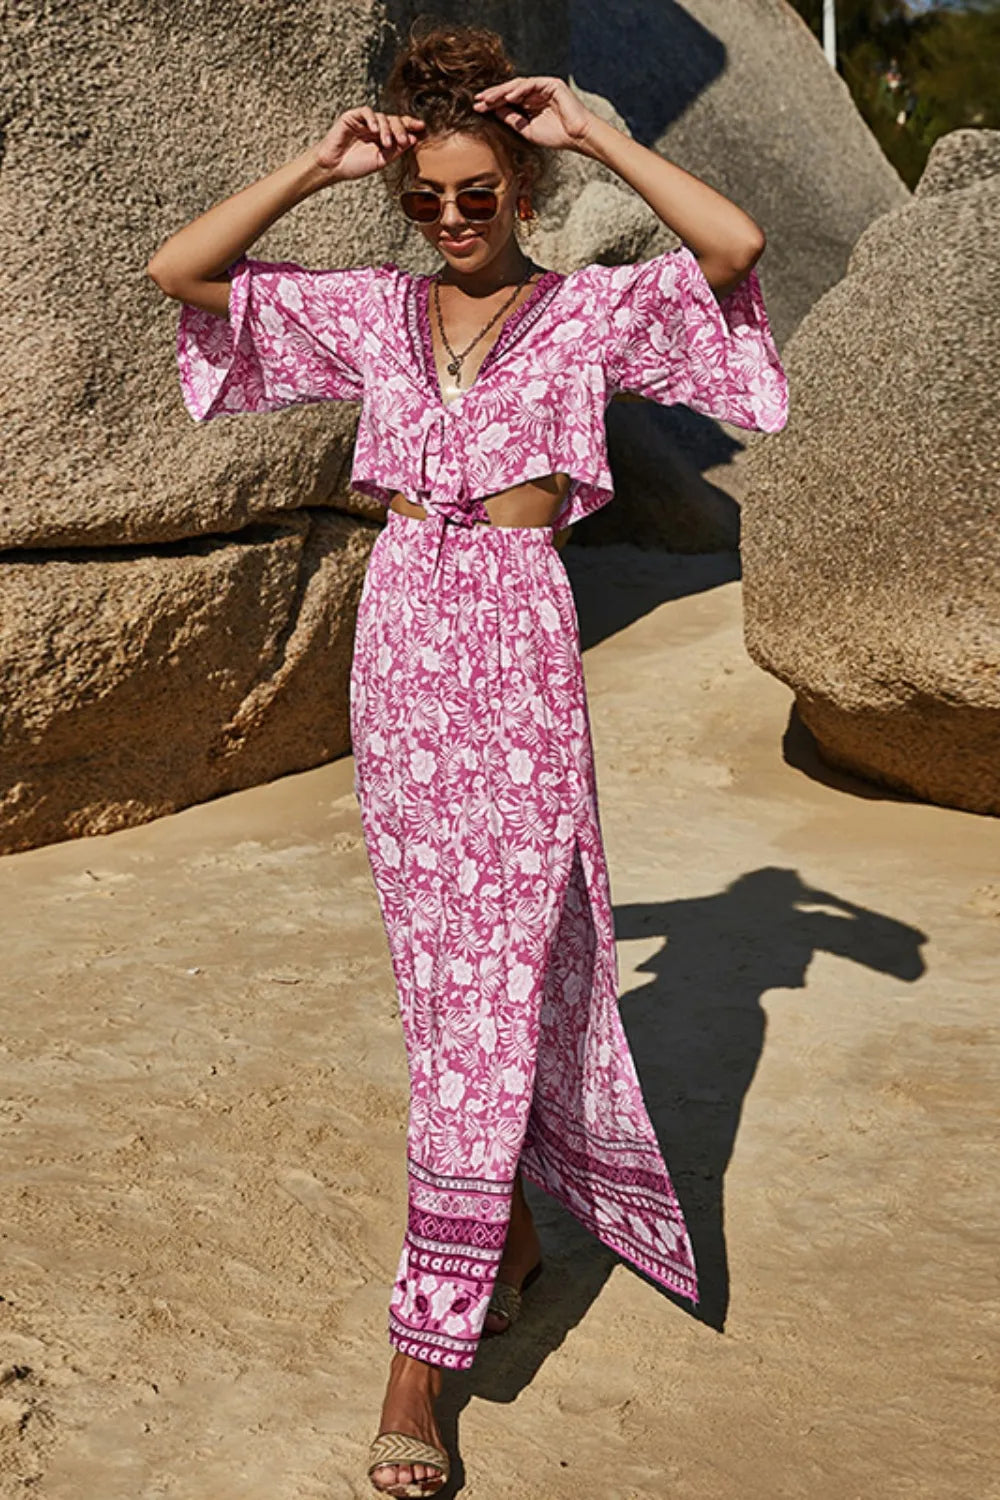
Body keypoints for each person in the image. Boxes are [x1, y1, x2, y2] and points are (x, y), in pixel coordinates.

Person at [146, 17, 788, 1497]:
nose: (451, 217)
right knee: (450, 995)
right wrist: (317, 165)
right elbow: (184, 273)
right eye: (427, 197)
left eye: (479, 193)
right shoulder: (375, 314)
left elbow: (736, 250)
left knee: (491, 998)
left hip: (515, 645)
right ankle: (509, 1233)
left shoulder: (590, 313)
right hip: (401, 647)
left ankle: (419, 1367)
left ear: (523, 187)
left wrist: (598, 133)